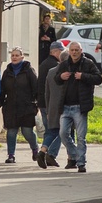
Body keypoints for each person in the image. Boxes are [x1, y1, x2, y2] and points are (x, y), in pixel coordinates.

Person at [54, 42, 102, 172]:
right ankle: (75, 154)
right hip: (65, 106)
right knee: (63, 133)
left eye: (77, 50)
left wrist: (83, 76)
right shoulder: (64, 64)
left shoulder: (88, 63)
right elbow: (56, 79)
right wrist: (61, 76)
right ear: (69, 51)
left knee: (81, 136)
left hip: (80, 106)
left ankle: (81, 163)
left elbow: (98, 78)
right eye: (72, 50)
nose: (74, 52)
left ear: (81, 50)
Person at [0, 47, 39, 164]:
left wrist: (37, 104)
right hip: (11, 107)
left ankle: (35, 149)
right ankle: (11, 155)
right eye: (13, 56)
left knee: (27, 132)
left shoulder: (29, 70)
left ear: (22, 57)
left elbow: (36, 88)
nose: (14, 58)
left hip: (26, 107)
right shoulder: (7, 72)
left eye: (17, 55)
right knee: (11, 132)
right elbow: (2, 90)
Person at [37, 51, 74, 169]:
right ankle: (71, 159)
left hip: (52, 106)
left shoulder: (51, 71)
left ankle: (42, 150)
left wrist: (48, 109)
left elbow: (47, 92)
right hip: (66, 106)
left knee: (52, 131)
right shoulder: (69, 73)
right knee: (70, 133)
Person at [35, 40, 65, 168]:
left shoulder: (44, 64)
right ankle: (50, 154)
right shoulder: (55, 66)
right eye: (61, 51)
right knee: (58, 130)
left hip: (43, 102)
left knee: (50, 130)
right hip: (51, 103)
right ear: (56, 51)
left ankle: (45, 152)